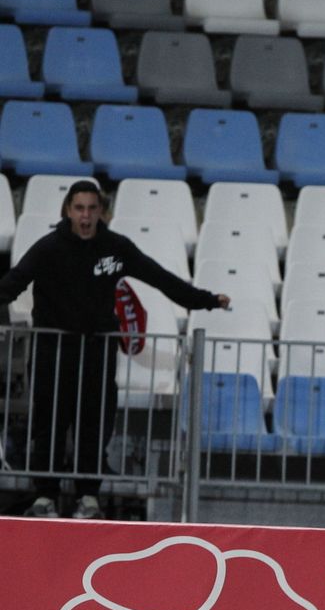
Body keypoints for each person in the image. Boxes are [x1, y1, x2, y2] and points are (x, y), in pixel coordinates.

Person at [0, 181, 231, 520]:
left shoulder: (115, 248)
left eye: (92, 209)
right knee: (48, 423)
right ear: (68, 210)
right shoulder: (48, 248)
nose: (86, 216)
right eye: (79, 208)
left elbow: (161, 279)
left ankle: (89, 496)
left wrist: (206, 300)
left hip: (97, 352)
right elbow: (13, 283)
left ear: (102, 212)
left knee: (95, 424)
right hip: (54, 353)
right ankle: (44, 495)